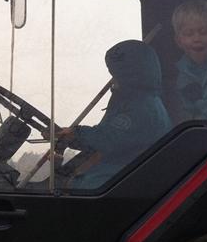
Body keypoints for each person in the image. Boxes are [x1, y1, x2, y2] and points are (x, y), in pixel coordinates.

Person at [56, 40, 172, 189]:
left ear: (131, 75)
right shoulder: (131, 102)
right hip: (123, 173)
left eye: (117, 74)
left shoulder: (142, 106)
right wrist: (72, 137)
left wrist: (76, 133)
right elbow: (107, 134)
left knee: (82, 188)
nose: (113, 79)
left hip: (126, 181)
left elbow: (108, 139)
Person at [171, 0, 207, 121]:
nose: (197, 38)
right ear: (178, 41)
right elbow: (187, 112)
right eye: (188, 33)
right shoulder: (183, 78)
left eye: (204, 32)